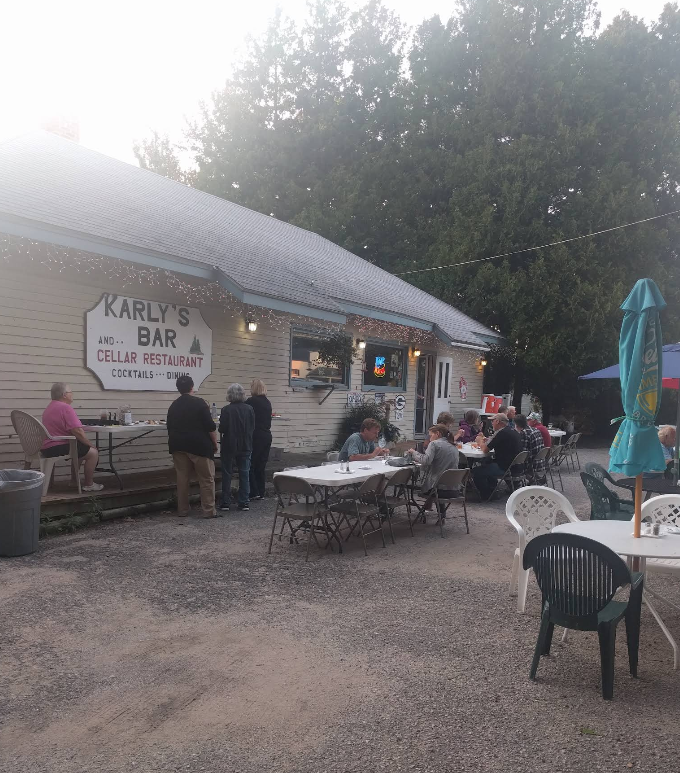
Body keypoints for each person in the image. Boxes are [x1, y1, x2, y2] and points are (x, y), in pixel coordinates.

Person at [167, 375, 218, 518]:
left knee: (182, 479)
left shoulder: (173, 405)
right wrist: (214, 444)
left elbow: (169, 427)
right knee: (206, 478)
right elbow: (210, 427)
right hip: (199, 446)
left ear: (178, 389)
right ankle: (209, 511)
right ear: (192, 387)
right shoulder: (200, 403)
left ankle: (182, 510)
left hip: (177, 445)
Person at [41, 382, 103, 492]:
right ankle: (89, 484)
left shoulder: (49, 407)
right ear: (64, 394)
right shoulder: (65, 408)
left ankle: (74, 481)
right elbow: (77, 431)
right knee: (93, 453)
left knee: (79, 448)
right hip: (58, 447)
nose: (72, 395)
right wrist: (90, 445)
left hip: (47, 448)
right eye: (71, 392)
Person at [407, 424, 460, 509]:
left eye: (431, 435)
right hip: (454, 490)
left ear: (437, 434)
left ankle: (425, 509)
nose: (429, 438)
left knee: (413, 486)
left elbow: (426, 461)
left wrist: (413, 452)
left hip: (437, 491)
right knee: (439, 477)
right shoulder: (454, 446)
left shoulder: (434, 444)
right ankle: (438, 512)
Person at [219, 384, 255, 511]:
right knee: (244, 473)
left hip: (229, 444)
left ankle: (225, 502)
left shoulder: (226, 410)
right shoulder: (249, 409)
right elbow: (252, 427)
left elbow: (222, 428)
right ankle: (244, 501)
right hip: (246, 444)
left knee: (227, 473)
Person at [471, 413, 522, 499]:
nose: (492, 423)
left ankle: (486, 494)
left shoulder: (501, 433)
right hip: (515, 466)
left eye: (493, 421)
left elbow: (485, 450)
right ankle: (492, 489)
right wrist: (488, 441)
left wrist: (479, 441)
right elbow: (499, 444)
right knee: (486, 462)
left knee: (476, 472)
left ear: (498, 421)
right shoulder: (511, 431)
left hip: (505, 467)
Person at [246, 379, 272, 500]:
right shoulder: (267, 402)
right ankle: (261, 491)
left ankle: (253, 491)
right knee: (261, 465)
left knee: (251, 463)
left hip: (255, 435)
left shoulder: (251, 401)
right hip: (266, 435)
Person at [514, 414, 546, 483]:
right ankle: (536, 479)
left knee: (512, 464)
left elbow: (522, 453)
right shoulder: (536, 430)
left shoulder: (524, 433)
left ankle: (515, 485)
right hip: (541, 461)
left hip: (532, 464)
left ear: (516, 424)